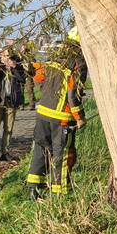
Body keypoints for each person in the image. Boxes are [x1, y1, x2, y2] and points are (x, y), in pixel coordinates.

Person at [27, 29, 88, 200]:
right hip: (61, 118)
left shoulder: (53, 59)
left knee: (41, 149)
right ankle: (59, 194)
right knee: (62, 154)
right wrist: (80, 117)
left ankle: (33, 187)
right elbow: (72, 94)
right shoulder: (79, 64)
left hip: (42, 114)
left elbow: (38, 78)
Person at [0, 50, 26, 161]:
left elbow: (22, 79)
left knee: (8, 129)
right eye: (5, 55)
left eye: (9, 56)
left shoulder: (17, 67)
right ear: (1, 56)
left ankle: (5, 151)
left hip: (11, 101)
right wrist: (1, 64)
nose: (7, 58)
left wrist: (13, 67)